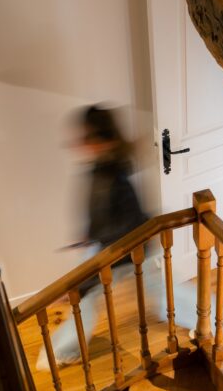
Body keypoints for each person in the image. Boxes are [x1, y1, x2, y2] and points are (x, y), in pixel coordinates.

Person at [37, 105, 147, 370]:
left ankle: (209, 317)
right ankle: (64, 349)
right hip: (108, 244)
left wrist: (87, 276)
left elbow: (123, 227)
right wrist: (89, 235)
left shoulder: (114, 177)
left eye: (86, 137)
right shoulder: (103, 168)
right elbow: (103, 215)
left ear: (102, 139)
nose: (80, 143)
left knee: (85, 295)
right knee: (84, 296)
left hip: (131, 246)